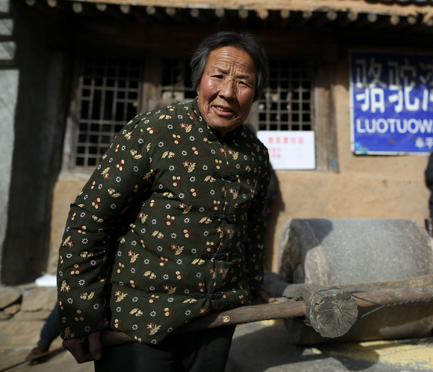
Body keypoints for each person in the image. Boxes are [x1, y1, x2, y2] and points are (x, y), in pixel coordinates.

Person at [57, 32, 274, 372]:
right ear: (199, 80)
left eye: (243, 82)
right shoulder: (155, 131)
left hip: (216, 322)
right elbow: (90, 220)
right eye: (217, 76)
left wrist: (254, 282)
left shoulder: (256, 155)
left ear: (256, 93)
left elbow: (253, 226)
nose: (227, 93)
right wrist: (80, 314)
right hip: (141, 325)